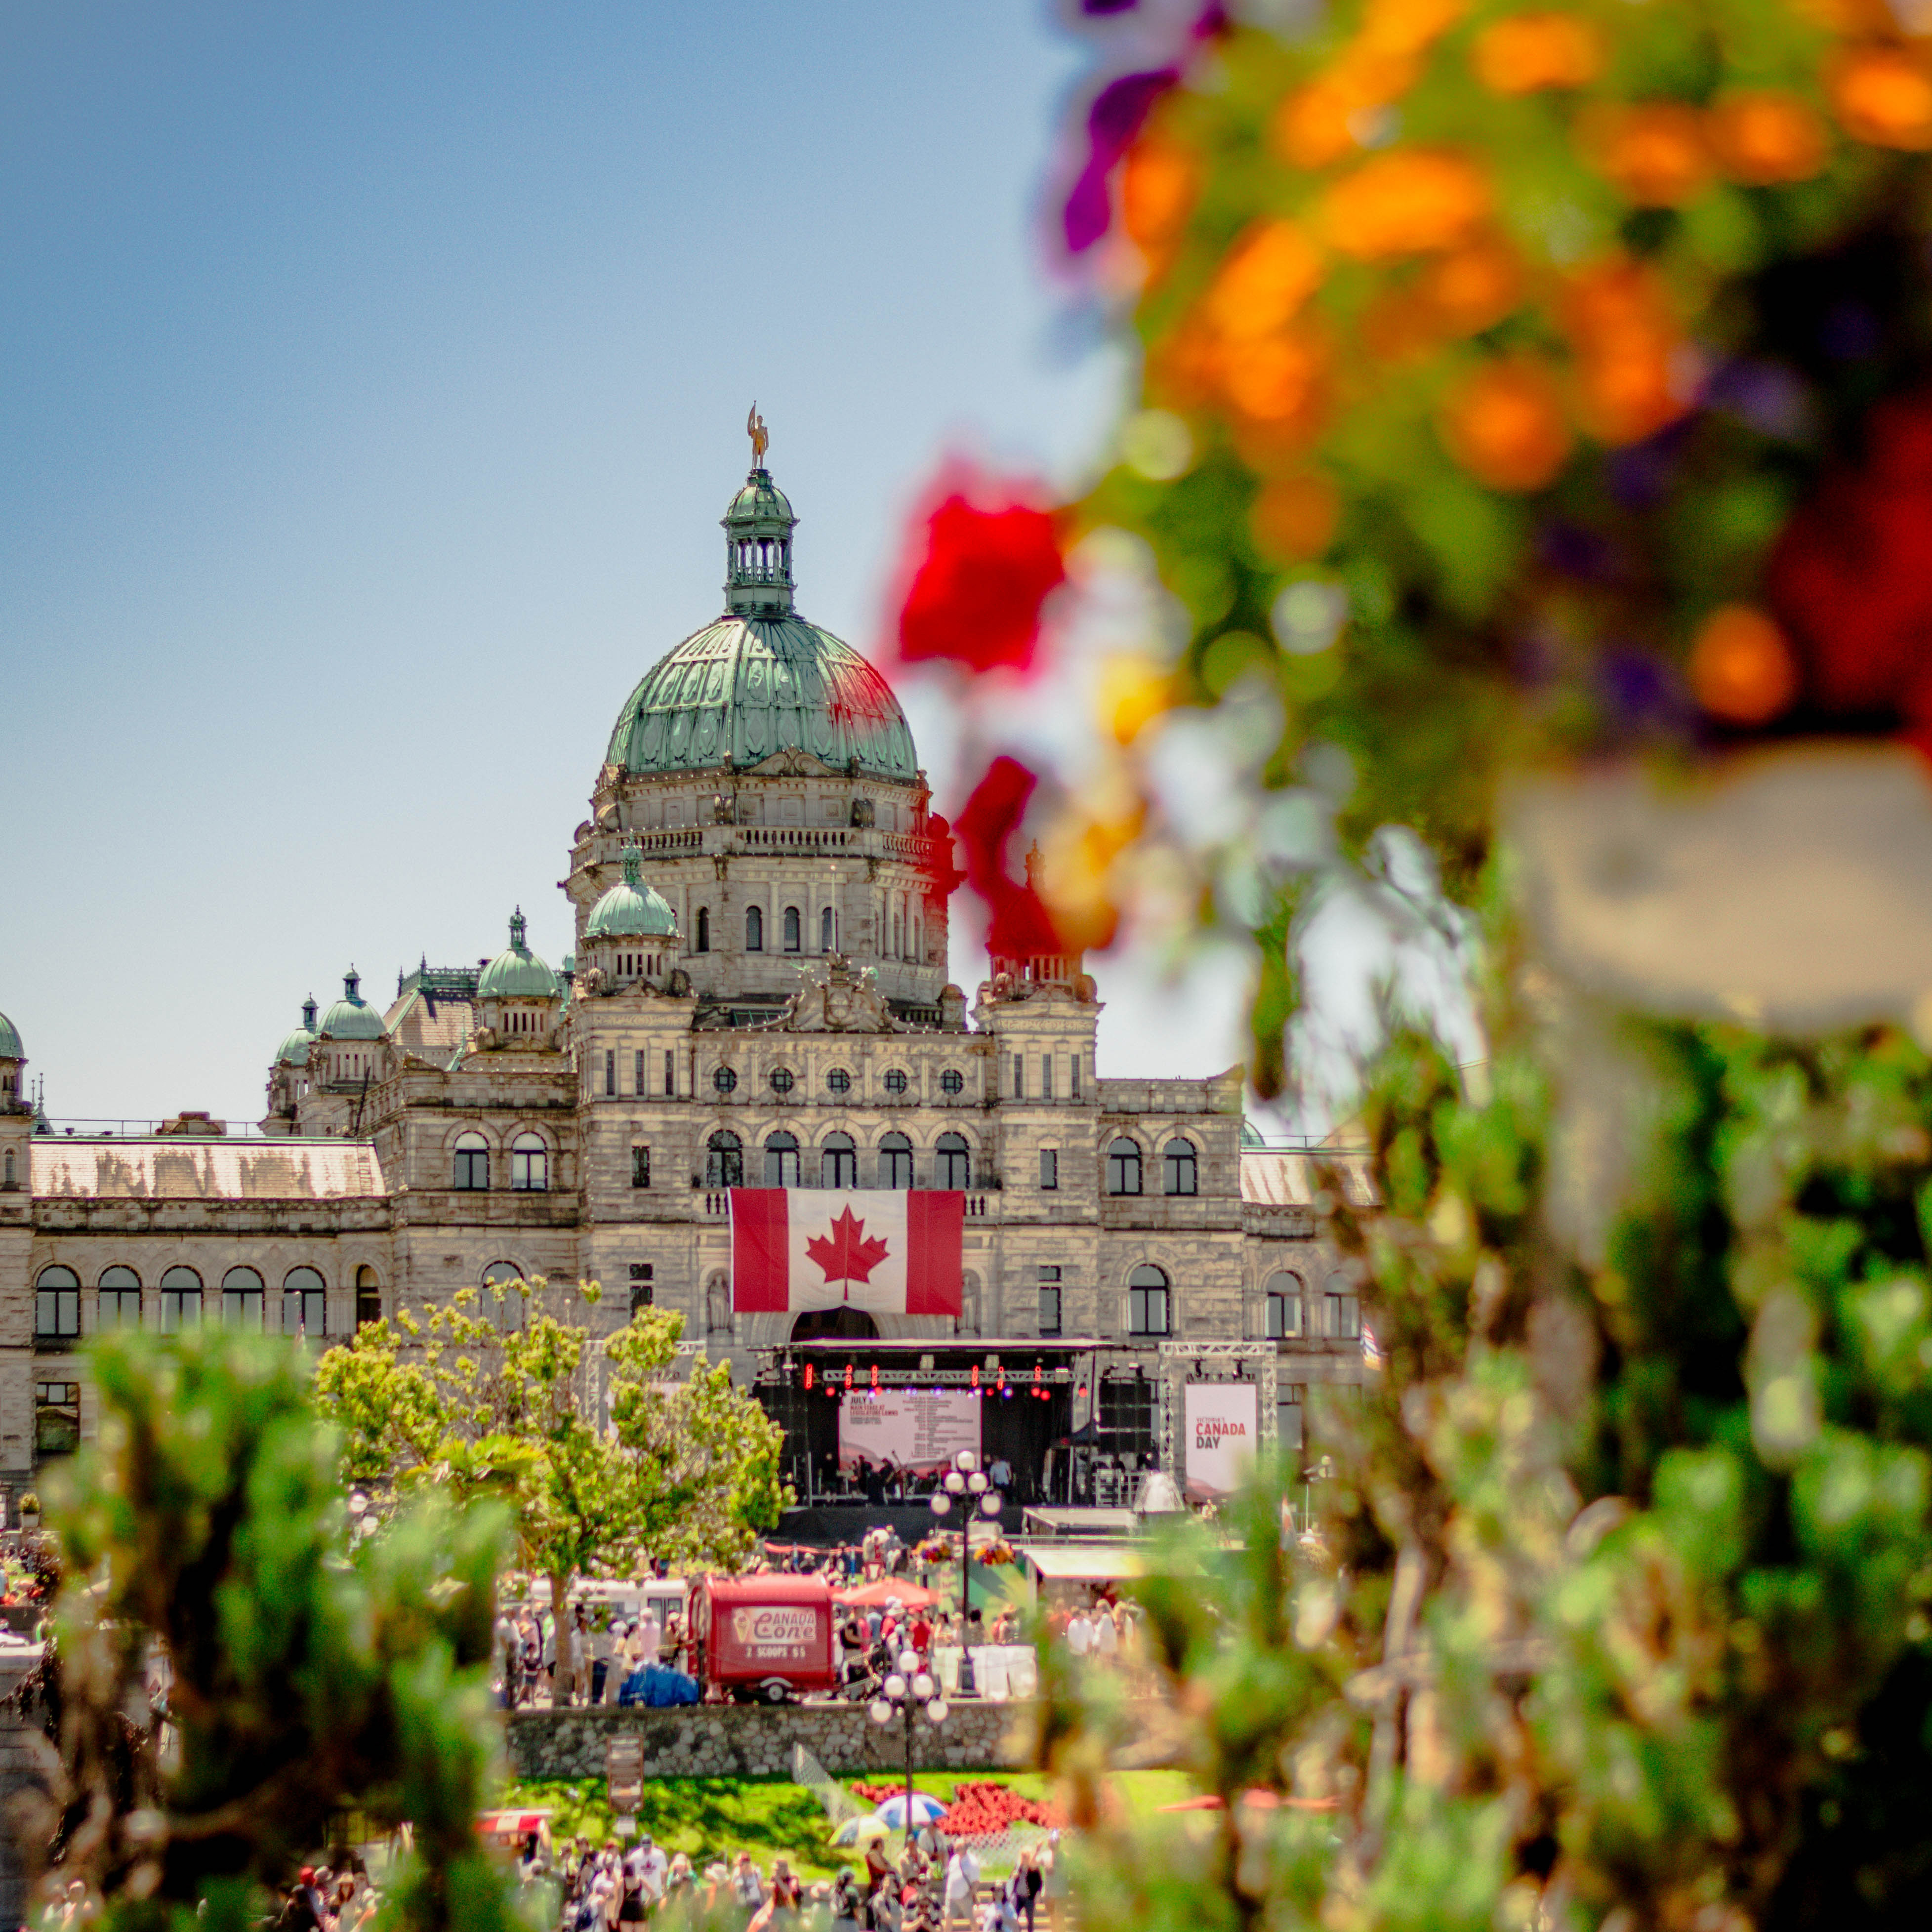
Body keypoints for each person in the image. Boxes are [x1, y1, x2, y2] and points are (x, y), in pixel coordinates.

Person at [734, 1852, 766, 1921]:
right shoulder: (736, 1874)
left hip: (755, 1905)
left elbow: (762, 1890)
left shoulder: (756, 1873)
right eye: (739, 1864)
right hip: (741, 1906)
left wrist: (765, 1906)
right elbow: (732, 1889)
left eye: (742, 1864)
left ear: (747, 1864)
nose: (740, 1866)